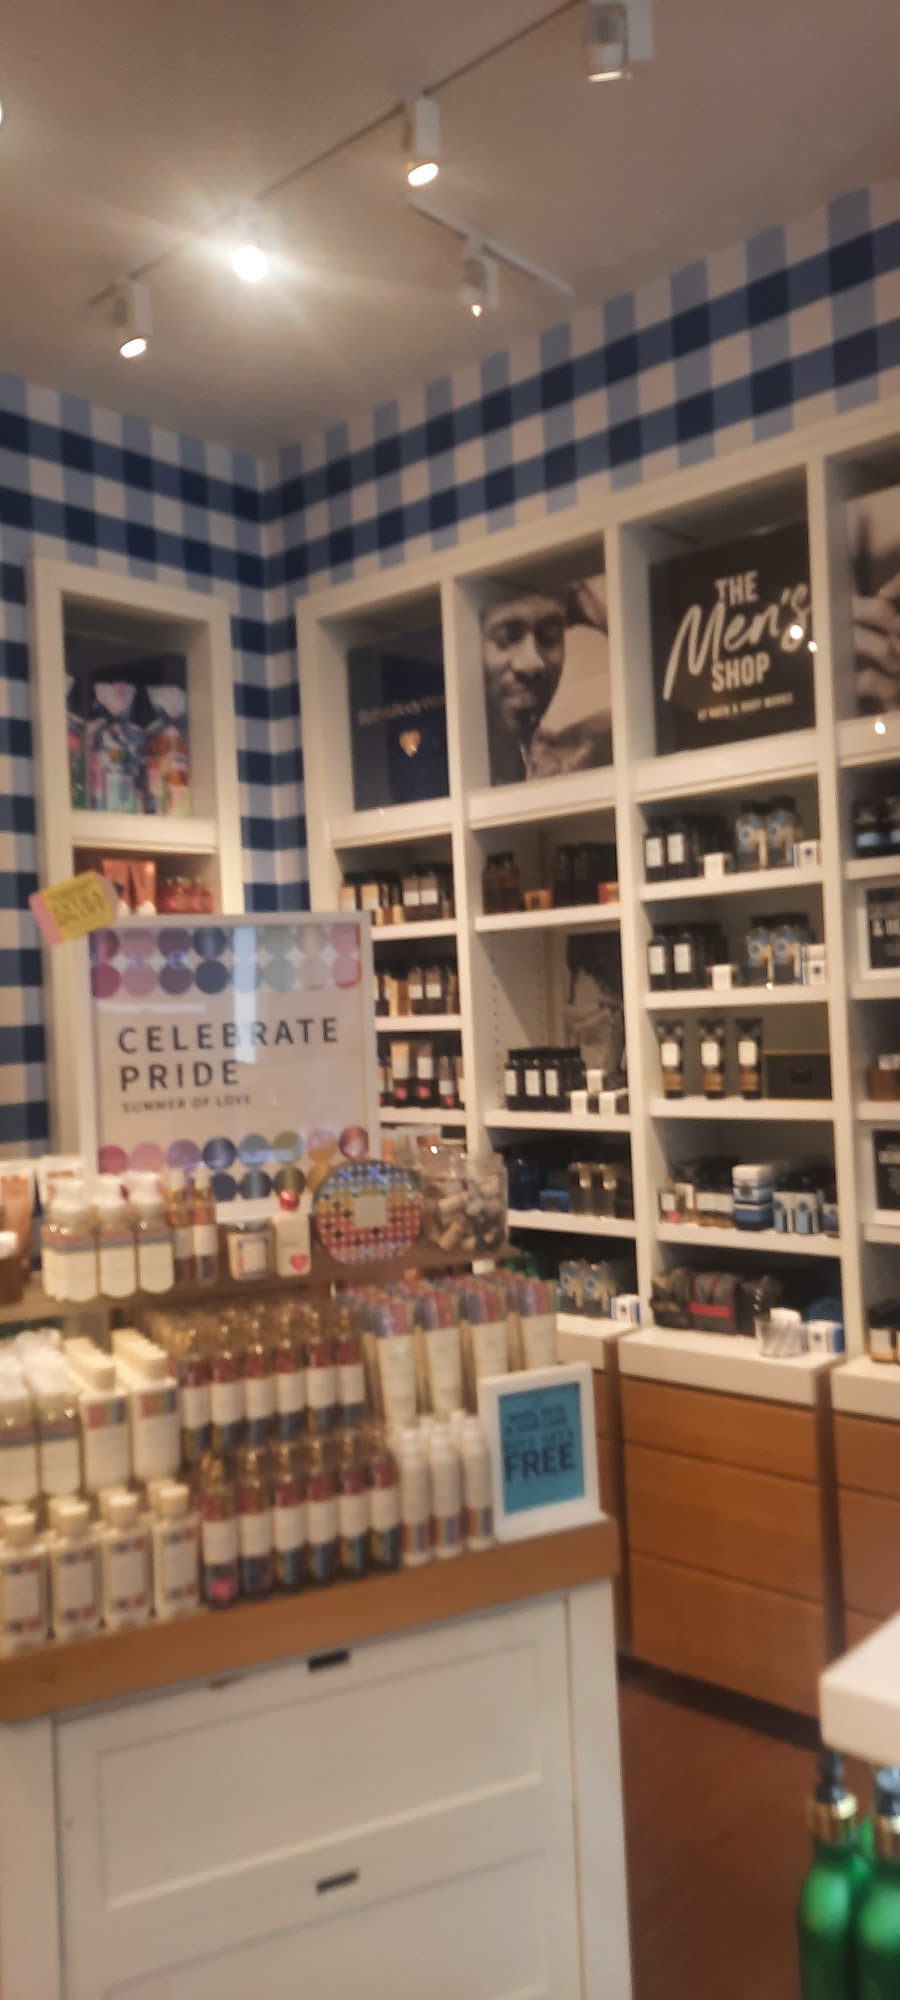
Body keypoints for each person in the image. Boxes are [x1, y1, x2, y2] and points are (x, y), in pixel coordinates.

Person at [481, 580, 612, 784]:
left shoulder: (561, 757)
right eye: (508, 637)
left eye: (550, 635)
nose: (533, 663)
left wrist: (602, 614)